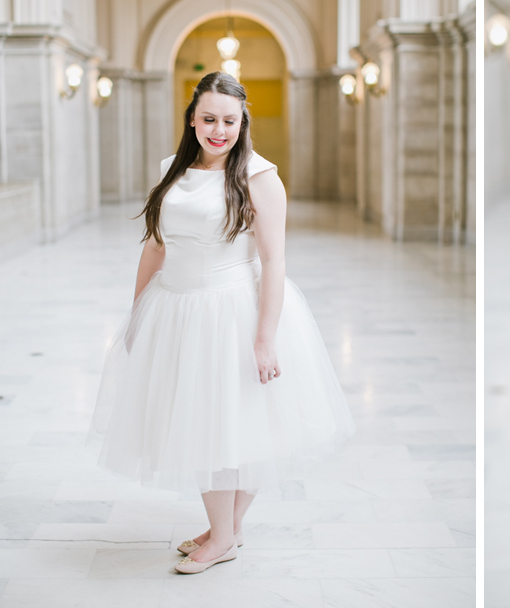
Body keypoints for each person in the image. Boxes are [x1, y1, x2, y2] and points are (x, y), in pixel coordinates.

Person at [89, 71, 355, 574]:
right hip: (177, 306)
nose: (219, 130)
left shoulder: (260, 177)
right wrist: (138, 310)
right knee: (205, 419)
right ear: (192, 119)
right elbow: (155, 245)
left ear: (242, 121)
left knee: (233, 425)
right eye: (209, 118)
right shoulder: (173, 170)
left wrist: (264, 338)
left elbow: (274, 262)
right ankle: (225, 532)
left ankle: (224, 538)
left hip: (233, 309)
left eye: (229, 121)